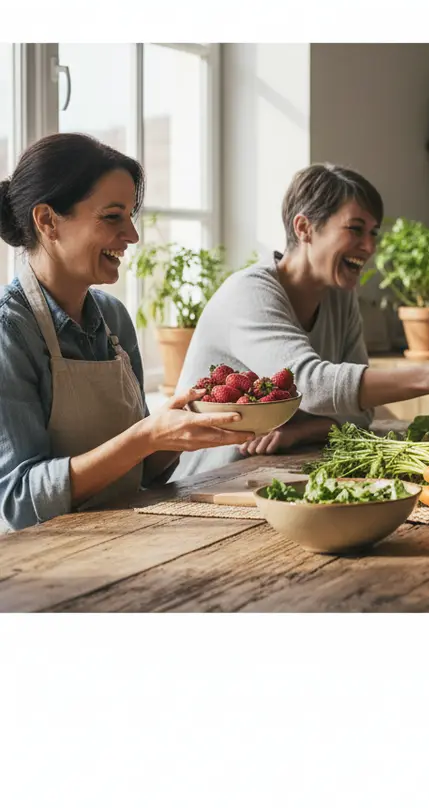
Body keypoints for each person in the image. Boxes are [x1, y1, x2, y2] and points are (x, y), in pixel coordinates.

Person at [172, 162, 429, 479]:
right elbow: (312, 385)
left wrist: (305, 429)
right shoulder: (249, 293)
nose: (370, 246)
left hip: (277, 470)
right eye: (355, 229)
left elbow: (360, 412)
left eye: (374, 233)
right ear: (304, 228)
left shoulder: (338, 295)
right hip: (208, 484)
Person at [0, 134, 253, 532]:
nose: (132, 235)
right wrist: (145, 436)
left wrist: (179, 431)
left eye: (130, 216)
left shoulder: (113, 319)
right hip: (42, 565)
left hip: (124, 537)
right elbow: (18, 500)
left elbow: (142, 476)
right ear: (47, 220)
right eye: (113, 216)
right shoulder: (9, 331)